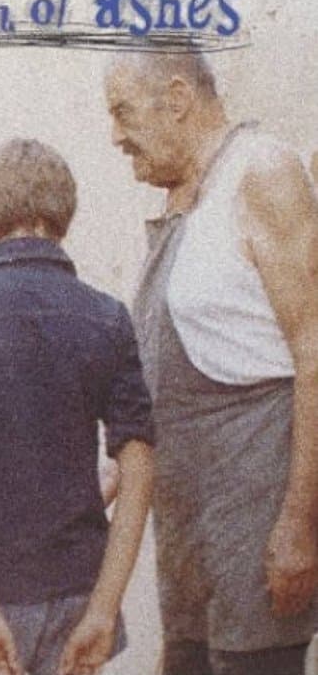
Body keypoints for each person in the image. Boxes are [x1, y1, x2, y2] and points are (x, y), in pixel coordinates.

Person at [105, 51, 318, 675]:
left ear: (178, 98)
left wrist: (301, 525)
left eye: (123, 113)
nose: (115, 136)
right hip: (190, 542)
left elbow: (314, 351)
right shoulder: (186, 199)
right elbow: (166, 378)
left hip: (255, 532)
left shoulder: (263, 171)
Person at [0, 138, 154, 675]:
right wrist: (105, 608)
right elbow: (139, 465)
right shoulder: (107, 317)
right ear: (64, 214)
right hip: (76, 599)